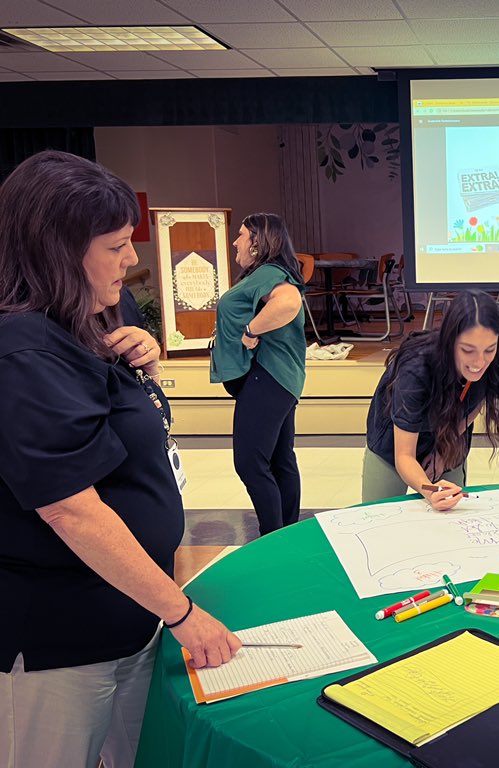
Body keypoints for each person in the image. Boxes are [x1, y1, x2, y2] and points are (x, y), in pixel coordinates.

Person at [0, 150, 240, 768]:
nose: (133, 259)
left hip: (132, 614)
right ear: (56, 250)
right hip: (61, 637)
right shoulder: (21, 351)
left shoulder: (94, 314)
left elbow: (133, 432)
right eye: (114, 246)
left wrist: (143, 361)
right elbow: (72, 511)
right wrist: (182, 612)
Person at [362, 290, 499, 510]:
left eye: (489, 349)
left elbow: (475, 402)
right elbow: (404, 455)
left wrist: (445, 450)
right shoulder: (416, 369)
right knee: (377, 515)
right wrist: (430, 490)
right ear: (449, 341)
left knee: (451, 516)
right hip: (394, 443)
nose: (479, 361)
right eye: (467, 350)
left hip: (450, 434)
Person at [211, 213, 306, 537]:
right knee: (280, 460)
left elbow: (289, 302)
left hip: (269, 375)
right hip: (281, 378)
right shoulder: (267, 273)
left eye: (240, 235)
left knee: (250, 462)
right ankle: (285, 536)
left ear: (257, 243)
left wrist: (252, 330)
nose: (235, 241)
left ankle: (272, 537)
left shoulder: (270, 273)